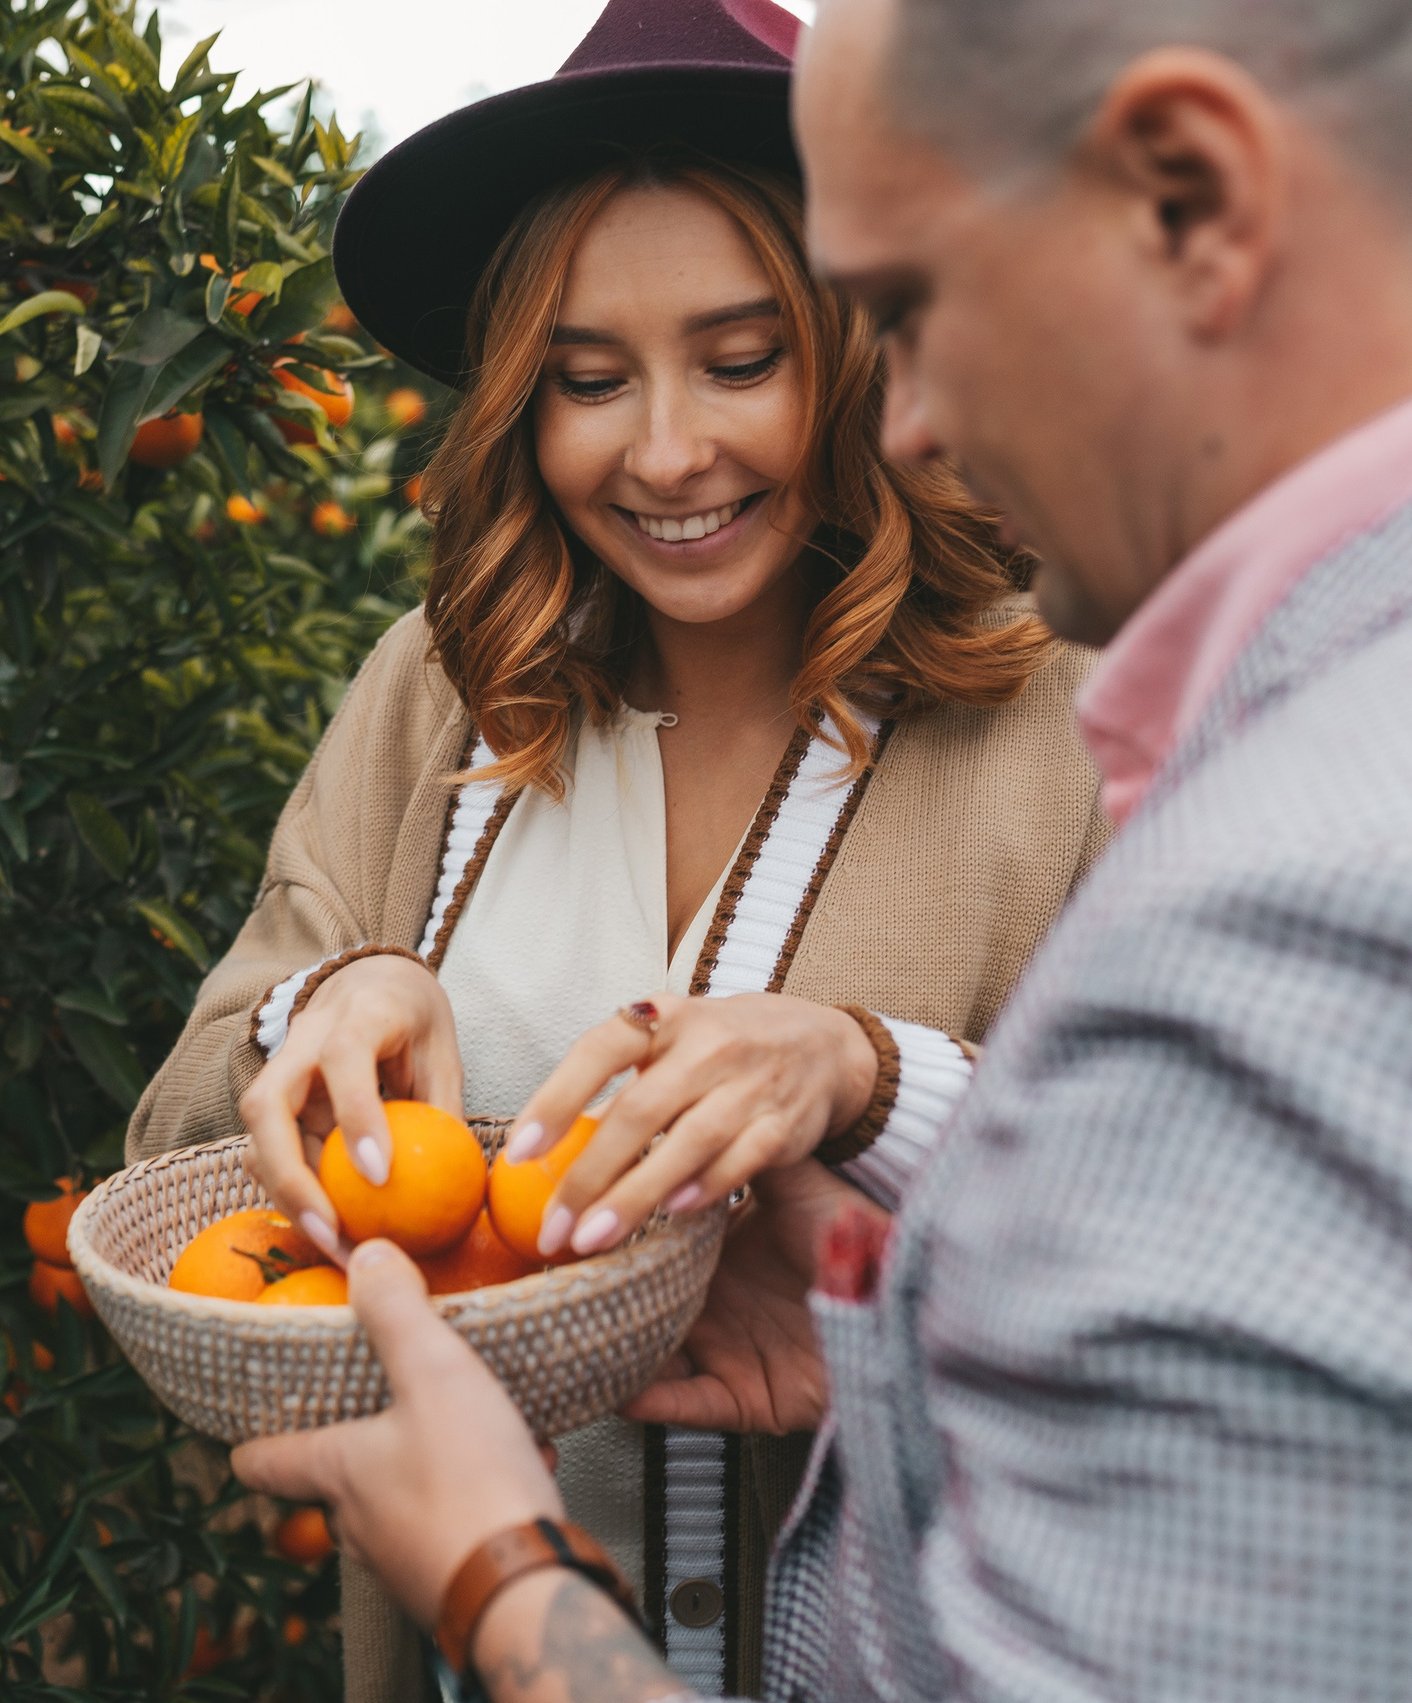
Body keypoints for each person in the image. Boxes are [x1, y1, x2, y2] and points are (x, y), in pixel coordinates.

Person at [235, 0, 1412, 1696]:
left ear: (1193, 195)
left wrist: (500, 1580)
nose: (913, 420)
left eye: (899, 313)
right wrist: (893, 1342)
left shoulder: (1313, 861)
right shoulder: (446, 694)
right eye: (588, 380)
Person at [125, 1, 1107, 1696]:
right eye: (589, 380)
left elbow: (1197, 1231)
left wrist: (867, 1081)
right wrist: (328, 1009)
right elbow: (179, 1156)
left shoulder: (1066, 718)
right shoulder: (444, 691)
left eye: (743, 361)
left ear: (865, 353)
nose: (664, 452)